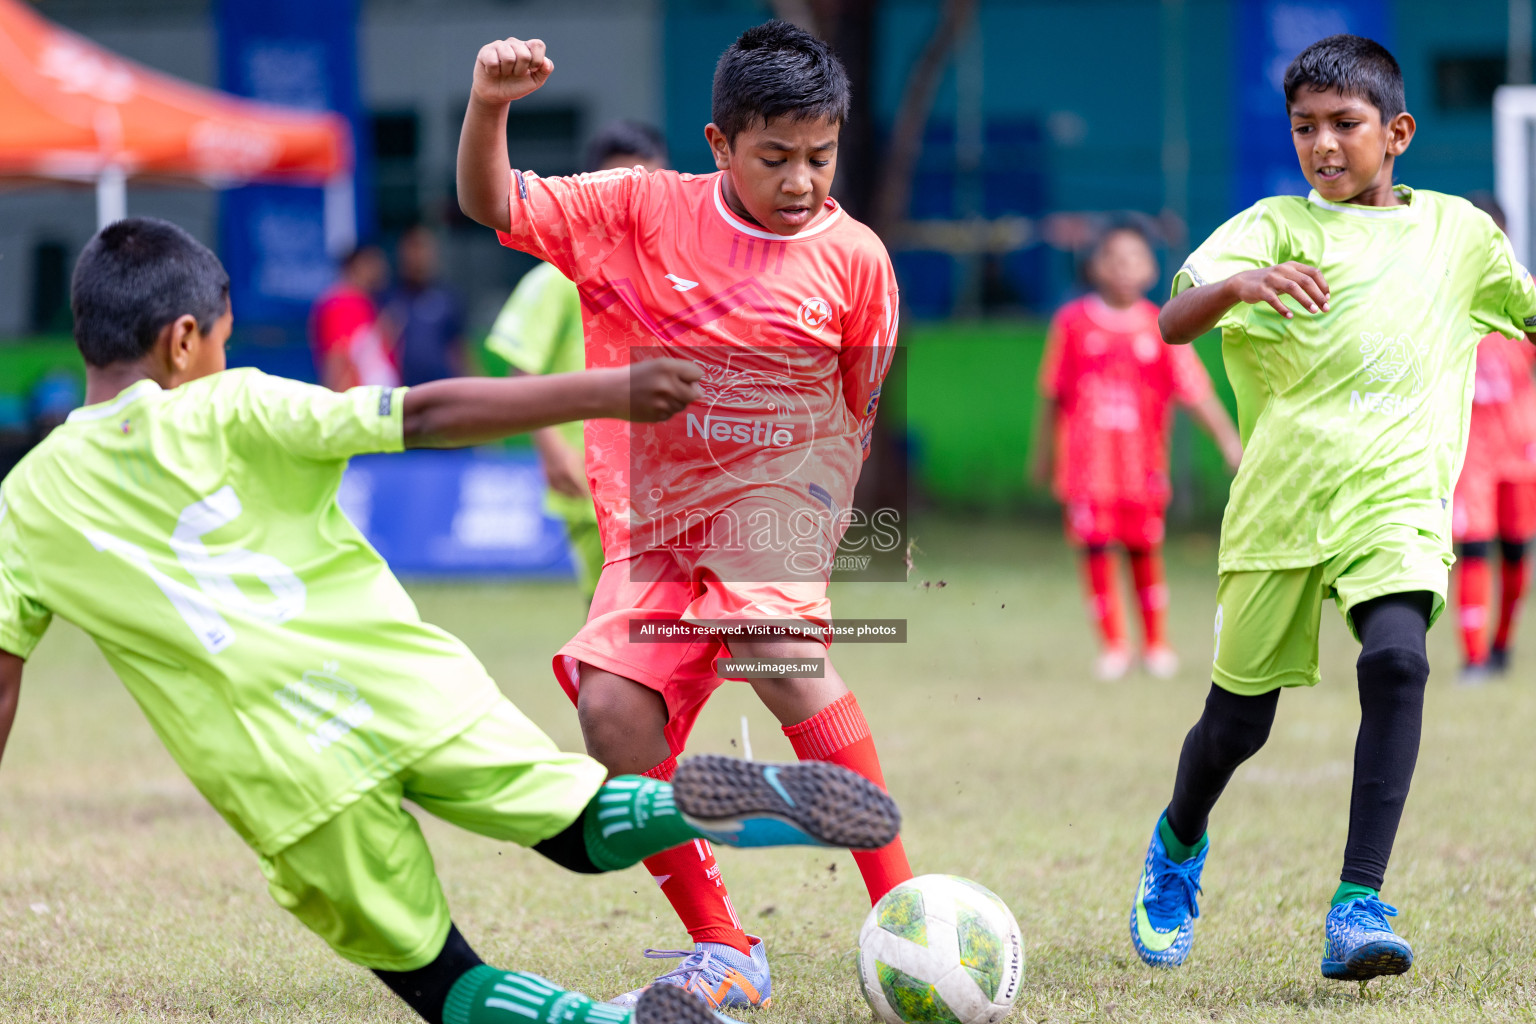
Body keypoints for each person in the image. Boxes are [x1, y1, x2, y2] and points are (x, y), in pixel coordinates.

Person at [0, 217, 905, 1024]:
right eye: (223, 344)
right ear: (184, 339)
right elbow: (426, 413)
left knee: (444, 980)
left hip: (283, 778)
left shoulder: (25, 503)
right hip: (408, 688)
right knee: (582, 831)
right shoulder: (237, 405)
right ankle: (726, 801)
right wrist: (607, 392)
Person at [456, 21, 911, 1011]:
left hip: (781, 510)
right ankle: (725, 945)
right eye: (775, 157)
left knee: (768, 638)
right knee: (610, 712)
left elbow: (854, 405)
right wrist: (491, 103)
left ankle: (905, 906)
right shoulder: (638, 211)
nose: (802, 181)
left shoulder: (859, 260)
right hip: (656, 526)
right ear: (718, 145)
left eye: (822, 157)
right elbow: (490, 201)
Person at [1127, 34, 1536, 982]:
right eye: (1305, 127)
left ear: (1396, 132)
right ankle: (1178, 845)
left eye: (1344, 126)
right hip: (1280, 505)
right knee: (1237, 726)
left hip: (1395, 500)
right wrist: (1238, 285)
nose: (1323, 145)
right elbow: (1171, 320)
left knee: (1397, 661)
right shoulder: (1270, 226)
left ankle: (1358, 902)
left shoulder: (1458, 237)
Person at [1032, 223, 1241, 681]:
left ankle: (1155, 644)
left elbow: (1196, 393)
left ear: (1150, 268)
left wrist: (1229, 441)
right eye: (1115, 258)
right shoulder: (1071, 323)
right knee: (1095, 552)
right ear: (1096, 266)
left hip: (1142, 468)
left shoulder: (1162, 324)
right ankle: (1113, 646)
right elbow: (1052, 393)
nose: (1125, 268)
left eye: (1136, 259)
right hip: (1088, 470)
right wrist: (1042, 455)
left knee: (1145, 551)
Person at [486, 121, 670, 602]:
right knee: (616, 620)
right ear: (590, 190)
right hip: (594, 481)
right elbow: (521, 369)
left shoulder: (674, 270)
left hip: (665, 479)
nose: (631, 200)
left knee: (670, 624)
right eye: (616, 186)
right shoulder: (559, 276)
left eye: (644, 184)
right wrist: (551, 450)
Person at [1452, 195, 1536, 684]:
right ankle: (1473, 658)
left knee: (1516, 552)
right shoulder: (1448, 301)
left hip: (1521, 450)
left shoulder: (1524, 298)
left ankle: (1503, 643)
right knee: (1475, 547)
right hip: (1472, 452)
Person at [382, 225, 469, 386]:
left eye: (423, 249)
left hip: (441, 388)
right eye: (412, 249)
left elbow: (458, 349)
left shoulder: (447, 297)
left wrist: (471, 383)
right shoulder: (388, 298)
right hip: (400, 393)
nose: (417, 257)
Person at [311, 244, 399, 391]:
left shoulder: (367, 302)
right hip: (360, 404)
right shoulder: (343, 303)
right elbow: (336, 358)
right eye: (373, 262)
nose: (382, 269)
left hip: (378, 401)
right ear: (356, 265)